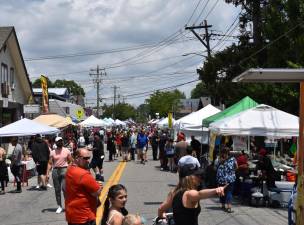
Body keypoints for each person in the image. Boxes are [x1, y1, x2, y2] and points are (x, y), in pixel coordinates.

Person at [158, 164, 226, 225]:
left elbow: (161, 208)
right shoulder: (189, 194)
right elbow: (200, 194)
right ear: (189, 177)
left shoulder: (173, 192)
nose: (200, 178)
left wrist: (162, 216)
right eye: (197, 175)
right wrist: (215, 190)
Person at [65, 148, 103, 225]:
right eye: (85, 158)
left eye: (89, 158)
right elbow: (97, 192)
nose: (88, 161)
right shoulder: (84, 174)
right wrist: (99, 187)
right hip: (85, 217)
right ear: (76, 158)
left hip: (72, 215)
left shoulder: (69, 169)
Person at [50, 136, 73, 214]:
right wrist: (47, 172)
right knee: (57, 189)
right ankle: (59, 206)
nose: (60, 142)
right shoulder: (53, 152)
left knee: (65, 189)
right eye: (58, 141)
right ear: (56, 143)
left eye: (61, 141)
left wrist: (68, 168)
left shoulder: (66, 150)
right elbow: (50, 162)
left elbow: (70, 160)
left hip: (64, 169)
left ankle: (68, 205)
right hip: (56, 170)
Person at [216, 147, 237, 213]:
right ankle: (229, 207)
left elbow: (215, 167)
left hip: (221, 179)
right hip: (230, 179)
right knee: (229, 192)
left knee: (222, 192)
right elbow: (236, 167)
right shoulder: (233, 159)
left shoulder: (219, 159)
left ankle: (223, 205)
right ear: (229, 152)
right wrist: (232, 172)